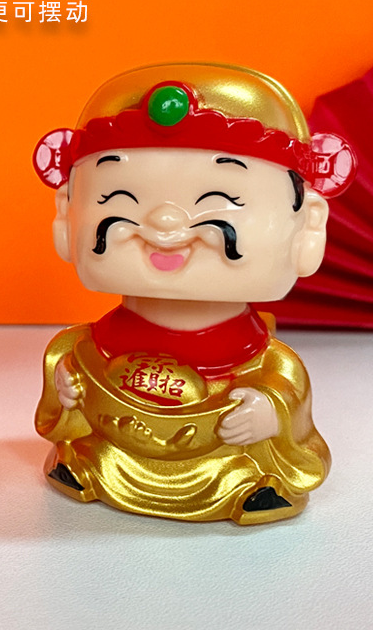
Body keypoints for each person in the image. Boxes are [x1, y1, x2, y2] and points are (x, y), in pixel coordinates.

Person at [33, 62, 354, 524]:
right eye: (119, 197)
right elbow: (63, 403)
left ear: (308, 229)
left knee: (250, 464)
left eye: (220, 199)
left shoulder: (265, 361)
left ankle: (252, 487)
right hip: (115, 453)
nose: (165, 222)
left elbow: (290, 409)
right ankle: (85, 465)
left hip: (223, 464)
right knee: (83, 432)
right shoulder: (84, 348)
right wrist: (67, 394)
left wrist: (270, 413)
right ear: (67, 219)